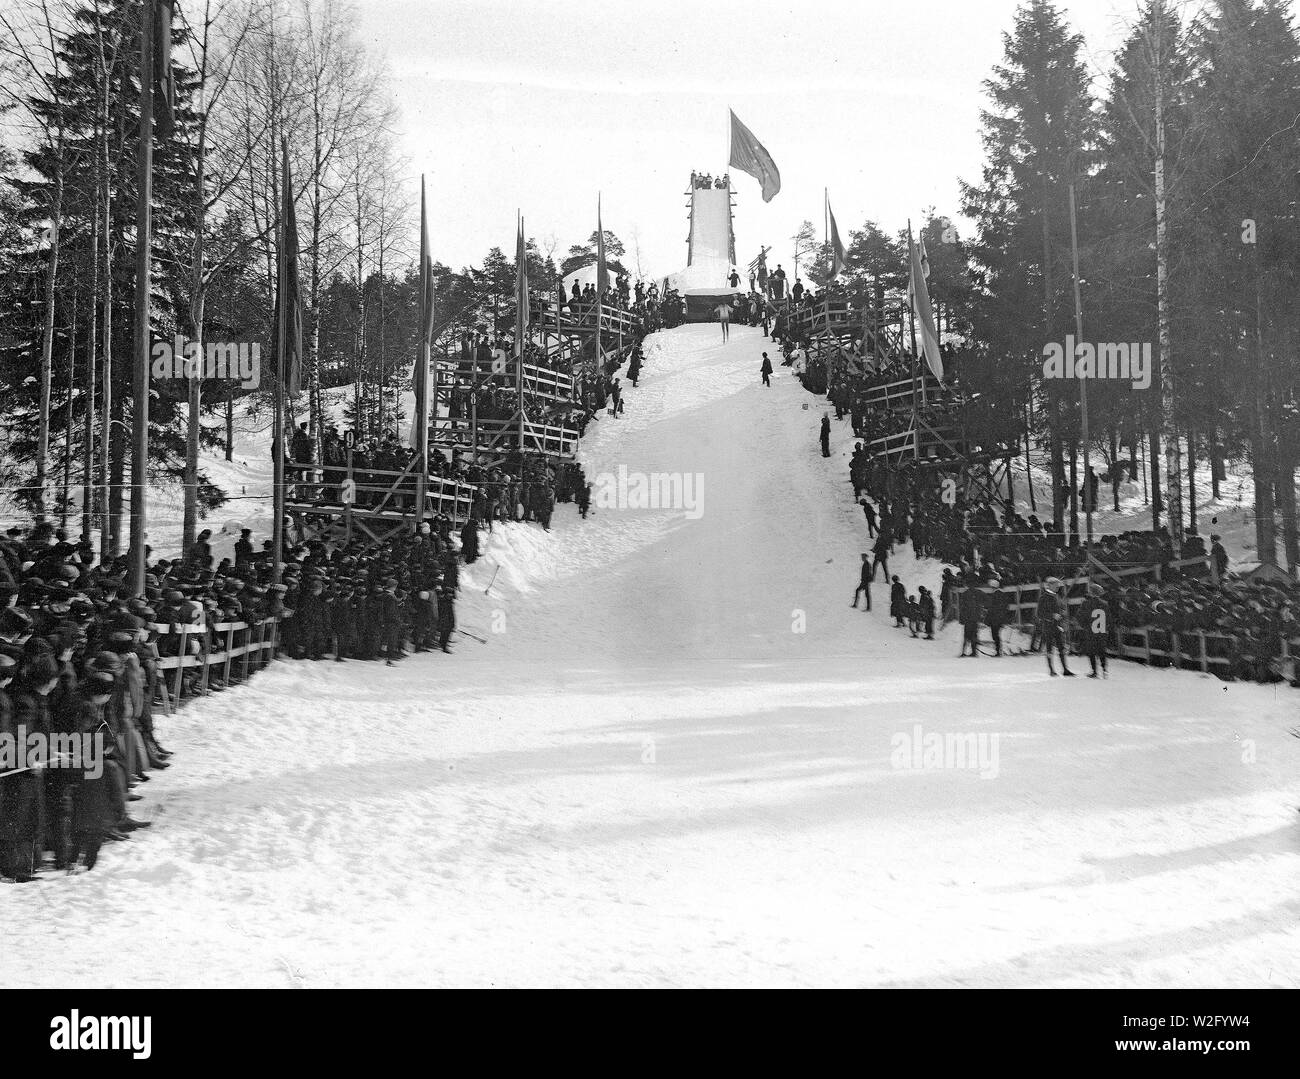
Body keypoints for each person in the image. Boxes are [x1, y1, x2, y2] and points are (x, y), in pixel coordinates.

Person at [1037, 577, 1075, 676]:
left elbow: (1060, 610)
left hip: (1058, 626)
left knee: (1061, 648)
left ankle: (1065, 669)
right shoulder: (1043, 597)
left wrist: (1062, 614)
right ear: (1049, 585)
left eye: (1058, 585)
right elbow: (1039, 614)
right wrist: (1052, 616)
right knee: (1049, 649)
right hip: (1048, 626)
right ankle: (1051, 670)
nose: (1058, 587)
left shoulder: (1057, 596)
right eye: (1055, 585)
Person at [1078, 582, 1110, 678]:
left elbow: (1080, 617)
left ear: (1091, 593)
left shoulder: (1086, 603)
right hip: (1102, 630)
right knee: (1102, 650)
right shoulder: (1105, 604)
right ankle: (1105, 670)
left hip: (1091, 630)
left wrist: (1084, 626)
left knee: (1091, 651)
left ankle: (1094, 671)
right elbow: (1109, 618)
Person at [958, 584, 983, 657]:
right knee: (974, 635)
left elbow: (962, 608)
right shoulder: (978, 593)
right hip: (974, 619)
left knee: (966, 635)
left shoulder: (965, 594)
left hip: (968, 619)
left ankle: (963, 651)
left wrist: (962, 619)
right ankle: (974, 652)